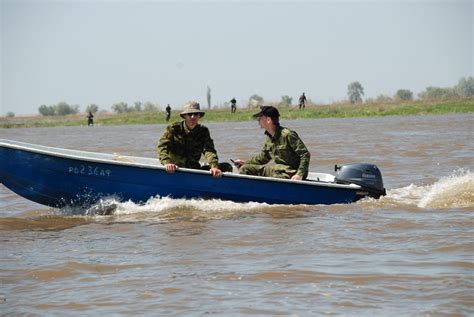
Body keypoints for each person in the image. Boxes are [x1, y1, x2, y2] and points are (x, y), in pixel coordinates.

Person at [234, 106, 310, 180]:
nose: (258, 120)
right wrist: (245, 163)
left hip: (291, 172)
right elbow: (263, 158)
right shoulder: (269, 137)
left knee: (278, 178)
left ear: (268, 120)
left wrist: (299, 174)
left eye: (260, 118)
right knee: (245, 169)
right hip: (277, 171)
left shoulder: (288, 135)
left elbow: (305, 155)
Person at [157, 101, 231, 177]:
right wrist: (167, 163)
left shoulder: (203, 131)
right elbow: (162, 147)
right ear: (184, 116)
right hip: (175, 169)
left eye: (196, 114)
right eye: (190, 114)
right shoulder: (174, 128)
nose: (193, 117)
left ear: (199, 116)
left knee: (227, 166)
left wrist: (214, 166)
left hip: (194, 170)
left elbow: (209, 150)